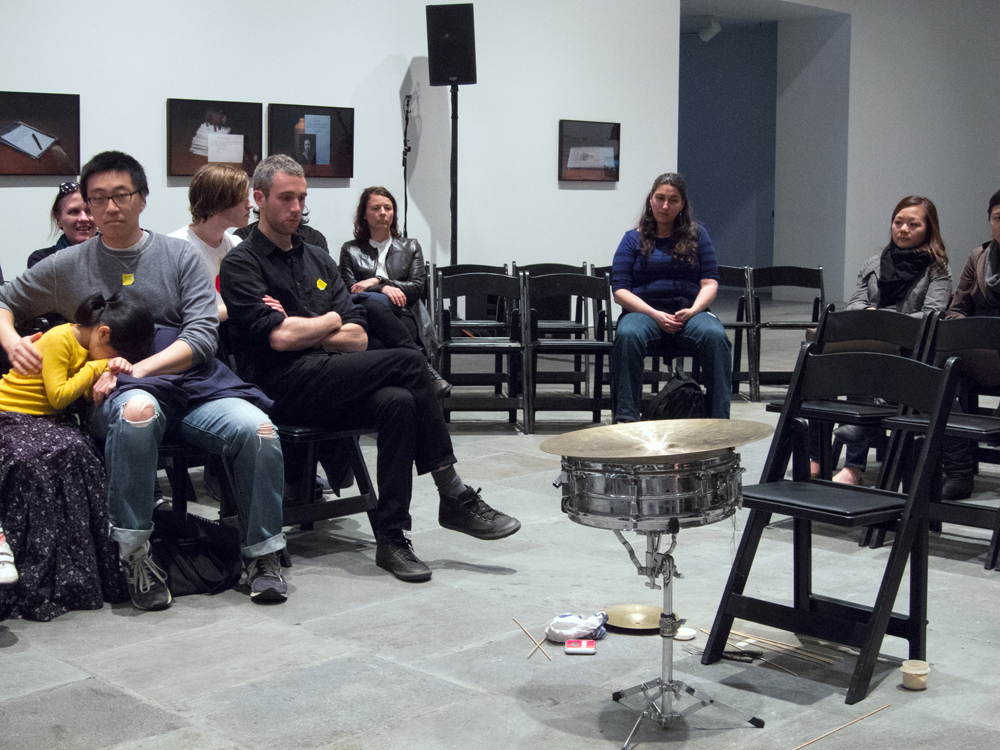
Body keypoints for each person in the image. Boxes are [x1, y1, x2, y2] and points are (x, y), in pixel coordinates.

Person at [0, 151, 289, 611]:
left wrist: (140, 368)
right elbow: (4, 299)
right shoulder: (67, 265)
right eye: (98, 199)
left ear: (142, 199)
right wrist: (10, 338)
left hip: (188, 380)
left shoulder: (178, 255)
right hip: (117, 388)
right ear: (88, 206)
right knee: (137, 414)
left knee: (258, 430)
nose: (110, 207)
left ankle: (264, 555)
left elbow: (201, 334)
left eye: (121, 195)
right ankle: (135, 556)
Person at [220, 155, 521, 584]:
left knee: (398, 401)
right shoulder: (242, 263)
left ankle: (393, 539)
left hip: (332, 376)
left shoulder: (319, 259)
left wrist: (303, 326)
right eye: (285, 198)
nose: (295, 207)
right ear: (259, 198)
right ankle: (452, 491)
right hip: (280, 390)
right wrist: (327, 323)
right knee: (409, 361)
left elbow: (357, 336)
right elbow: (280, 340)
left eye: (301, 198)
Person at [0, 291, 154, 621]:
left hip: (48, 420)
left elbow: (81, 392)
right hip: (12, 414)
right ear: (103, 333)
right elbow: (58, 396)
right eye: (114, 350)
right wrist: (99, 366)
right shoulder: (59, 339)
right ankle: (32, 573)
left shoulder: (90, 347)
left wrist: (105, 372)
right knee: (36, 460)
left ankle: (80, 574)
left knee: (79, 454)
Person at [814, 195, 952, 485]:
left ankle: (854, 461)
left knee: (865, 362)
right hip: (872, 345)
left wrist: (887, 323)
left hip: (910, 353)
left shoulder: (936, 269)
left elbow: (933, 314)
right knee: (833, 361)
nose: (903, 229)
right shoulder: (874, 263)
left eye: (913, 224)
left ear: (928, 229)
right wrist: (868, 314)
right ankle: (823, 459)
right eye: (898, 222)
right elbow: (853, 305)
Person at [610, 172, 732, 422]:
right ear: (650, 200)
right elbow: (620, 291)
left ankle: (720, 422)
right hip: (644, 313)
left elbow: (709, 282)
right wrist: (653, 313)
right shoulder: (632, 239)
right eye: (660, 198)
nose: (665, 205)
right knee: (627, 335)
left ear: (682, 205)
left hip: (689, 312)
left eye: (673, 200)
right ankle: (626, 420)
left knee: (716, 336)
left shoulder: (698, 235)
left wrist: (695, 309)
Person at [339, 186, 449, 396]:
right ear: (364, 214)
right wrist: (384, 287)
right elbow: (349, 291)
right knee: (371, 308)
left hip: (403, 314)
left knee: (376, 343)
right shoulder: (350, 250)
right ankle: (425, 372)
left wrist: (379, 281)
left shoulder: (410, 246)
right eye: (376, 208)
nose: (383, 213)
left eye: (388, 208)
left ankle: (389, 404)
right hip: (364, 316)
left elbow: (417, 288)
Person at [937, 189, 1000, 499]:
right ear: (990, 221)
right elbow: (957, 307)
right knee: (938, 365)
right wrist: (962, 325)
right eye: (999, 218)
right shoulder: (979, 257)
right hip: (982, 351)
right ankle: (959, 468)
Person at [169, 164, 254, 322]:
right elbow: (180, 314)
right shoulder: (175, 248)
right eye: (244, 199)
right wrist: (241, 307)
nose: (250, 205)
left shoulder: (237, 244)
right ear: (219, 202)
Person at [27, 182, 97, 268]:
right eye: (74, 212)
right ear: (59, 220)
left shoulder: (115, 254)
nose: (84, 218)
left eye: (89, 211)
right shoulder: (42, 260)